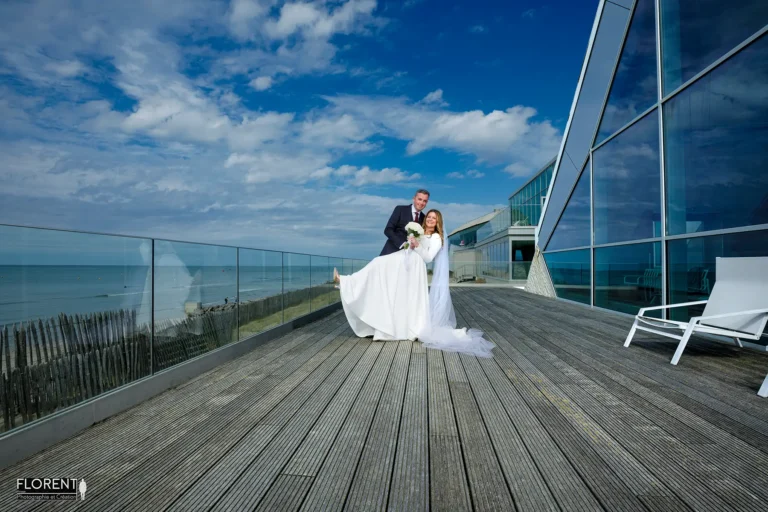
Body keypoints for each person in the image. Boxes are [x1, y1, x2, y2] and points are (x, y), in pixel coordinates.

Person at [333, 209, 494, 358]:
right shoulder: (421, 232)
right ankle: (347, 282)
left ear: (438, 222)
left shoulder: (436, 238)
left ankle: (346, 283)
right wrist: (409, 243)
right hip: (404, 260)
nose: (430, 219)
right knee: (378, 265)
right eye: (429, 217)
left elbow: (428, 258)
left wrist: (417, 246)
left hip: (415, 268)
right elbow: (409, 246)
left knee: (403, 292)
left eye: (434, 218)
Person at [379, 189, 430, 256]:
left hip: (410, 256)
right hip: (392, 252)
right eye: (419, 199)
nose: (421, 203)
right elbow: (388, 230)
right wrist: (403, 244)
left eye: (424, 201)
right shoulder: (400, 209)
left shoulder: (424, 218)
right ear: (414, 198)